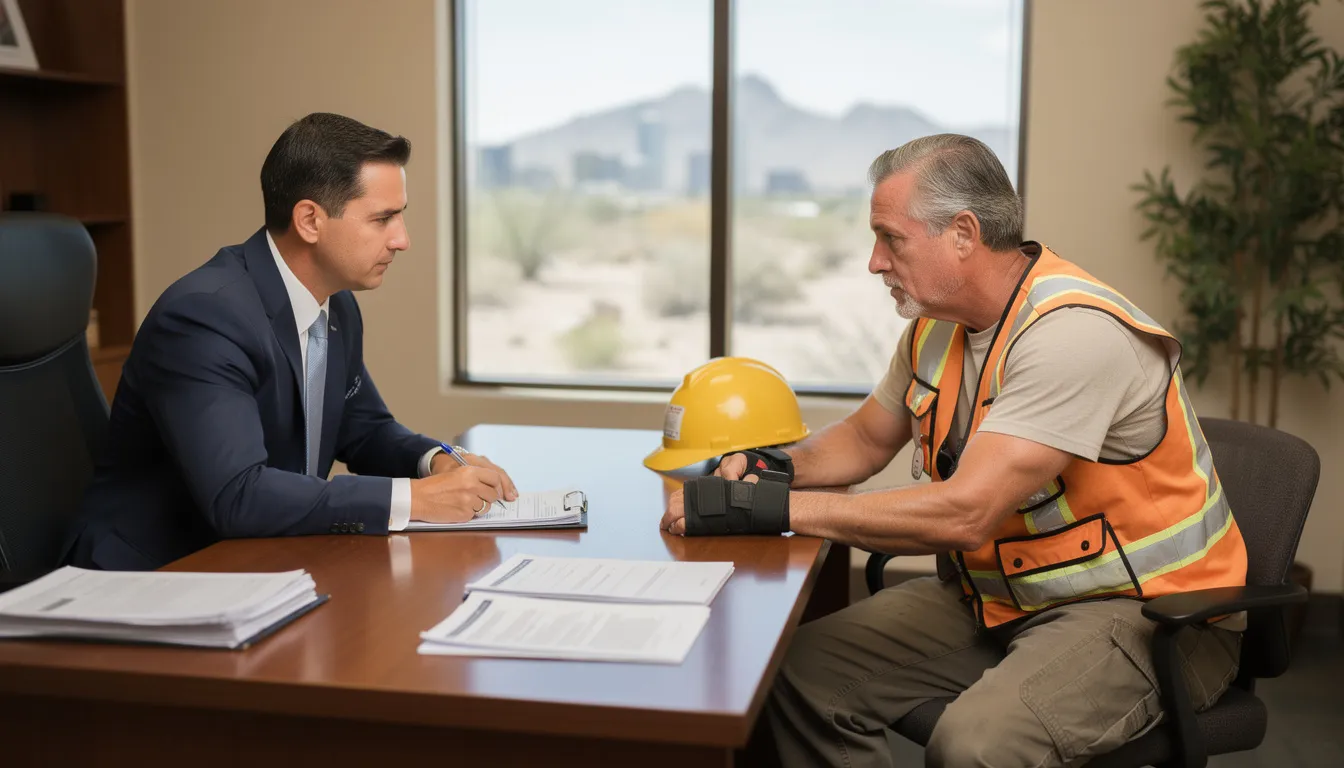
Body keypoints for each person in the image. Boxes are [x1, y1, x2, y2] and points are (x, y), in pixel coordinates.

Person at [661, 134, 1247, 767]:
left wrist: (772, 508)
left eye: (892, 238)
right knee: (796, 671)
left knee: (973, 746)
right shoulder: (937, 328)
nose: (875, 262)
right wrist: (779, 466)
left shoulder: (1074, 335)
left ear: (963, 234)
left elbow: (963, 514)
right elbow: (863, 440)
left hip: (1152, 615)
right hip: (1003, 595)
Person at [65, 113, 517, 571]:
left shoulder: (336, 306)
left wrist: (434, 461)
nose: (402, 239)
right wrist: (414, 498)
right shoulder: (204, 317)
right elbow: (238, 494)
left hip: (259, 563)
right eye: (383, 218)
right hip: (154, 575)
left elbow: (365, 430)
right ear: (309, 220)